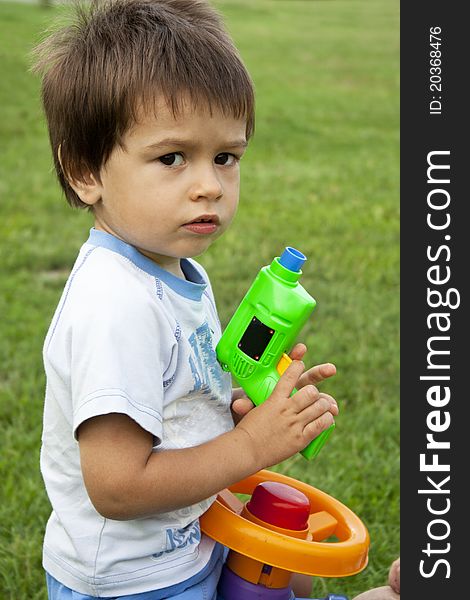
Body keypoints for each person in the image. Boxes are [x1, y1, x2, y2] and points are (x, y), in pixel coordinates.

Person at [33, 1, 338, 598]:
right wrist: (250, 446)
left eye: (226, 157)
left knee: (293, 582)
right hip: (132, 582)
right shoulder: (116, 306)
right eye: (172, 158)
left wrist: (233, 415)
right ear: (84, 172)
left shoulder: (173, 269)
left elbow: (172, 402)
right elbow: (118, 488)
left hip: (190, 539)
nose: (210, 185)